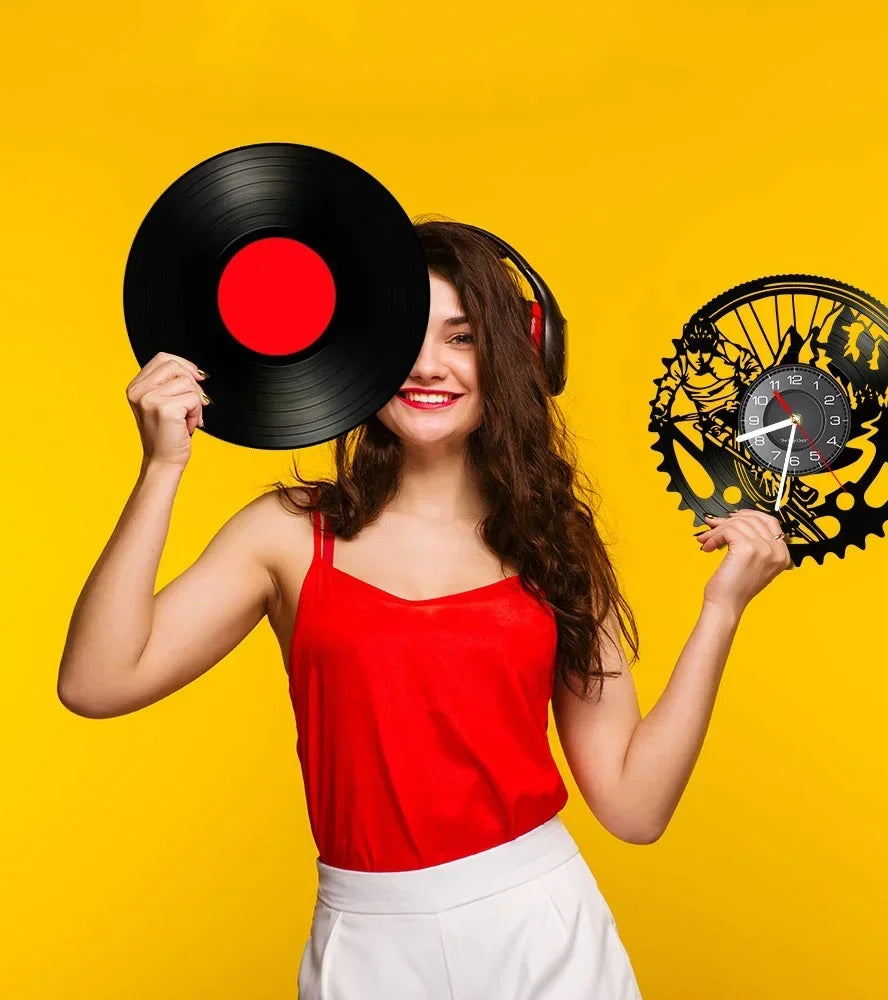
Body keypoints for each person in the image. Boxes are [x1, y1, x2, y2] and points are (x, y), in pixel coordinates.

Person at [57, 220, 792, 999]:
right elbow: (97, 682)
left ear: (516, 357)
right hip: (364, 940)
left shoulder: (557, 544)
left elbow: (635, 807)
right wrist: (163, 467)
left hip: (541, 930)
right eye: (403, 334)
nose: (428, 365)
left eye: (463, 337)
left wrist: (722, 610)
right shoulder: (288, 533)